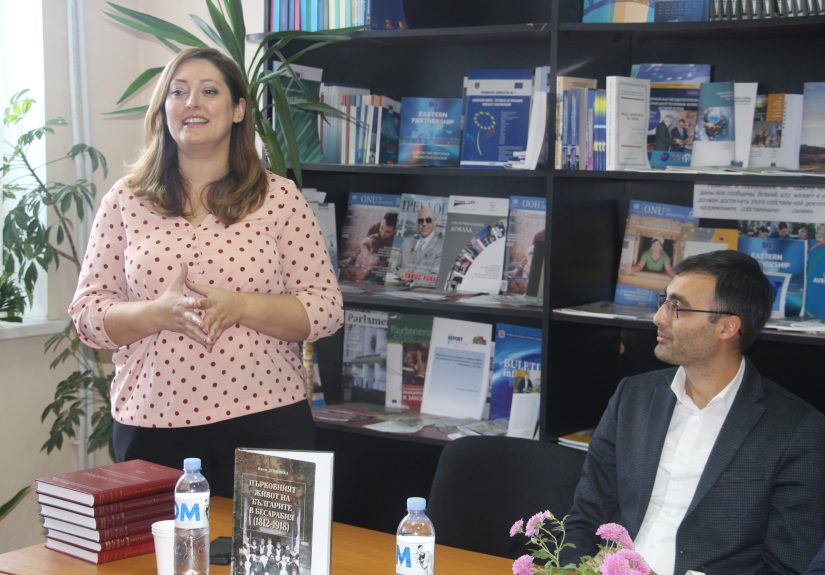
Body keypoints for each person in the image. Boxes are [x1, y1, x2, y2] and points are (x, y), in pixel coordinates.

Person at [68, 47, 344, 497]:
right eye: (178, 92)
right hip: (151, 425)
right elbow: (87, 316)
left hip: (267, 420)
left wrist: (239, 306)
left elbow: (326, 309)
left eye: (209, 91)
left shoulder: (280, 198)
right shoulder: (125, 199)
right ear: (163, 110)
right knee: (161, 546)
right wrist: (156, 314)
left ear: (238, 110)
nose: (191, 102)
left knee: (267, 548)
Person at [561, 250, 825, 575]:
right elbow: (584, 519)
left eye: (677, 307)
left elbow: (787, 567)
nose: (659, 317)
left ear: (727, 327)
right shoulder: (633, 397)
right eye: (663, 301)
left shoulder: (796, 429)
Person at [396, 205, 443, 285]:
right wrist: (399, 272)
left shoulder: (441, 248)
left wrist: (412, 278)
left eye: (428, 220)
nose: (424, 224)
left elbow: (437, 278)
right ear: (417, 223)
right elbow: (396, 267)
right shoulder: (406, 243)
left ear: (435, 222)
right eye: (421, 220)